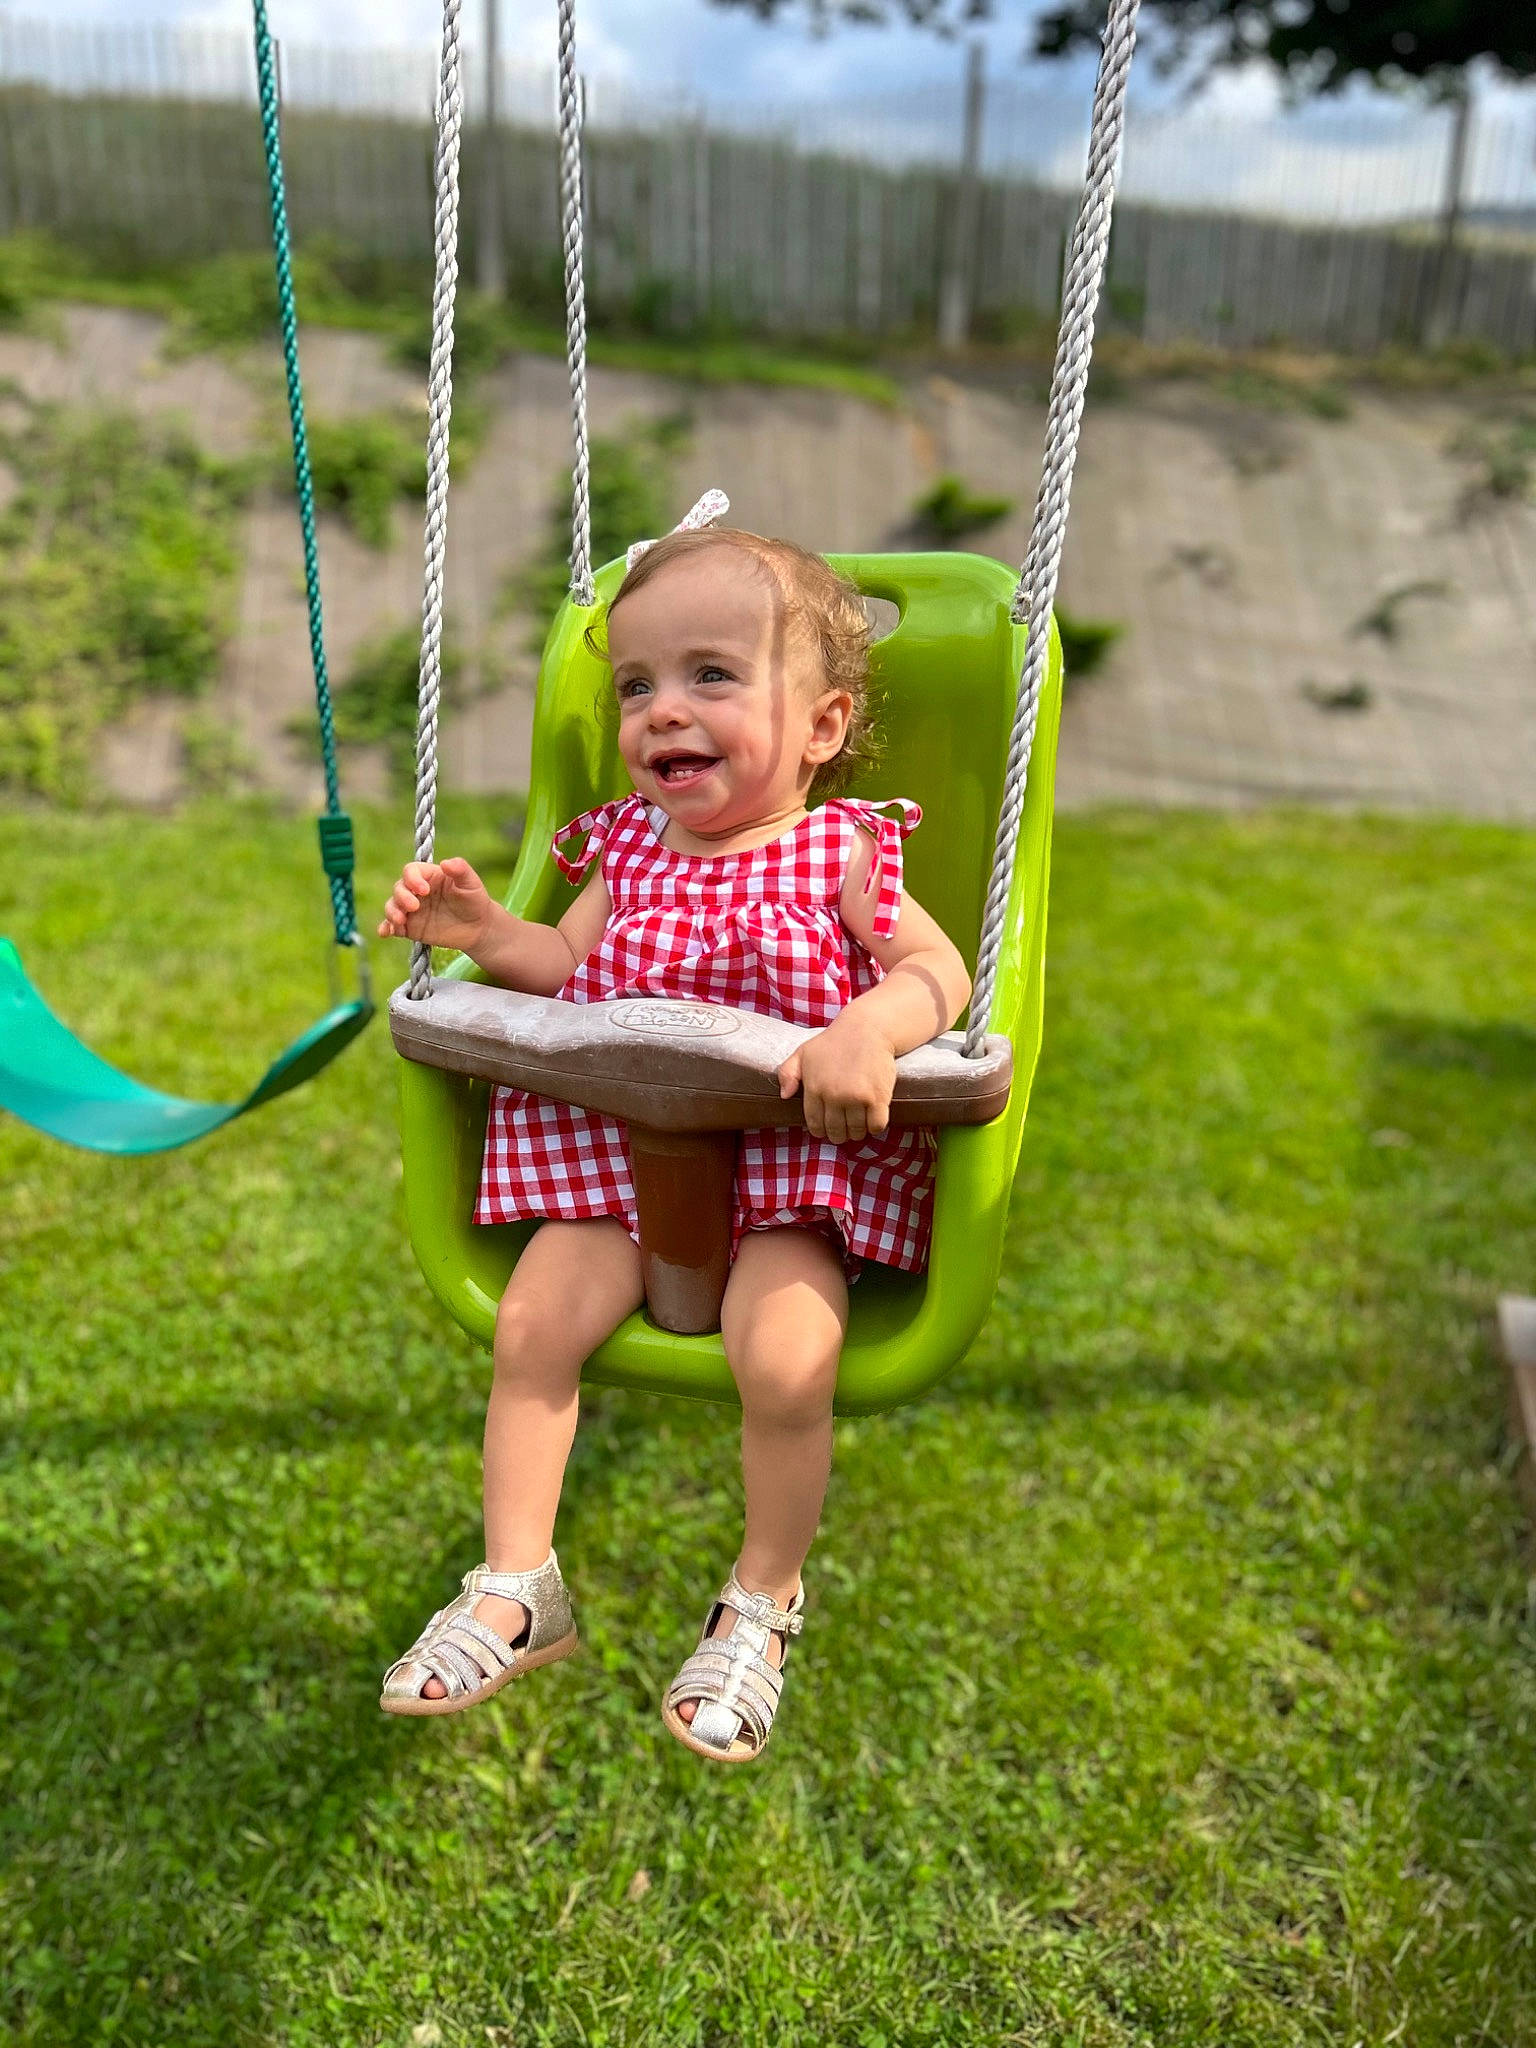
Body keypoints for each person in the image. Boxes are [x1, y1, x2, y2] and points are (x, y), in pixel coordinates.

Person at [375, 508, 970, 1762]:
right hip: (617, 1161)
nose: (662, 711)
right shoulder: (630, 846)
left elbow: (939, 971)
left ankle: (763, 1599)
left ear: (823, 727)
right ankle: (515, 1584)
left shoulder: (843, 850)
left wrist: (869, 1027)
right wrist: (485, 932)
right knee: (533, 1328)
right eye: (637, 684)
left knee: (788, 1359)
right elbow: (563, 963)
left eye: (710, 675)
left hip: (788, 1172)